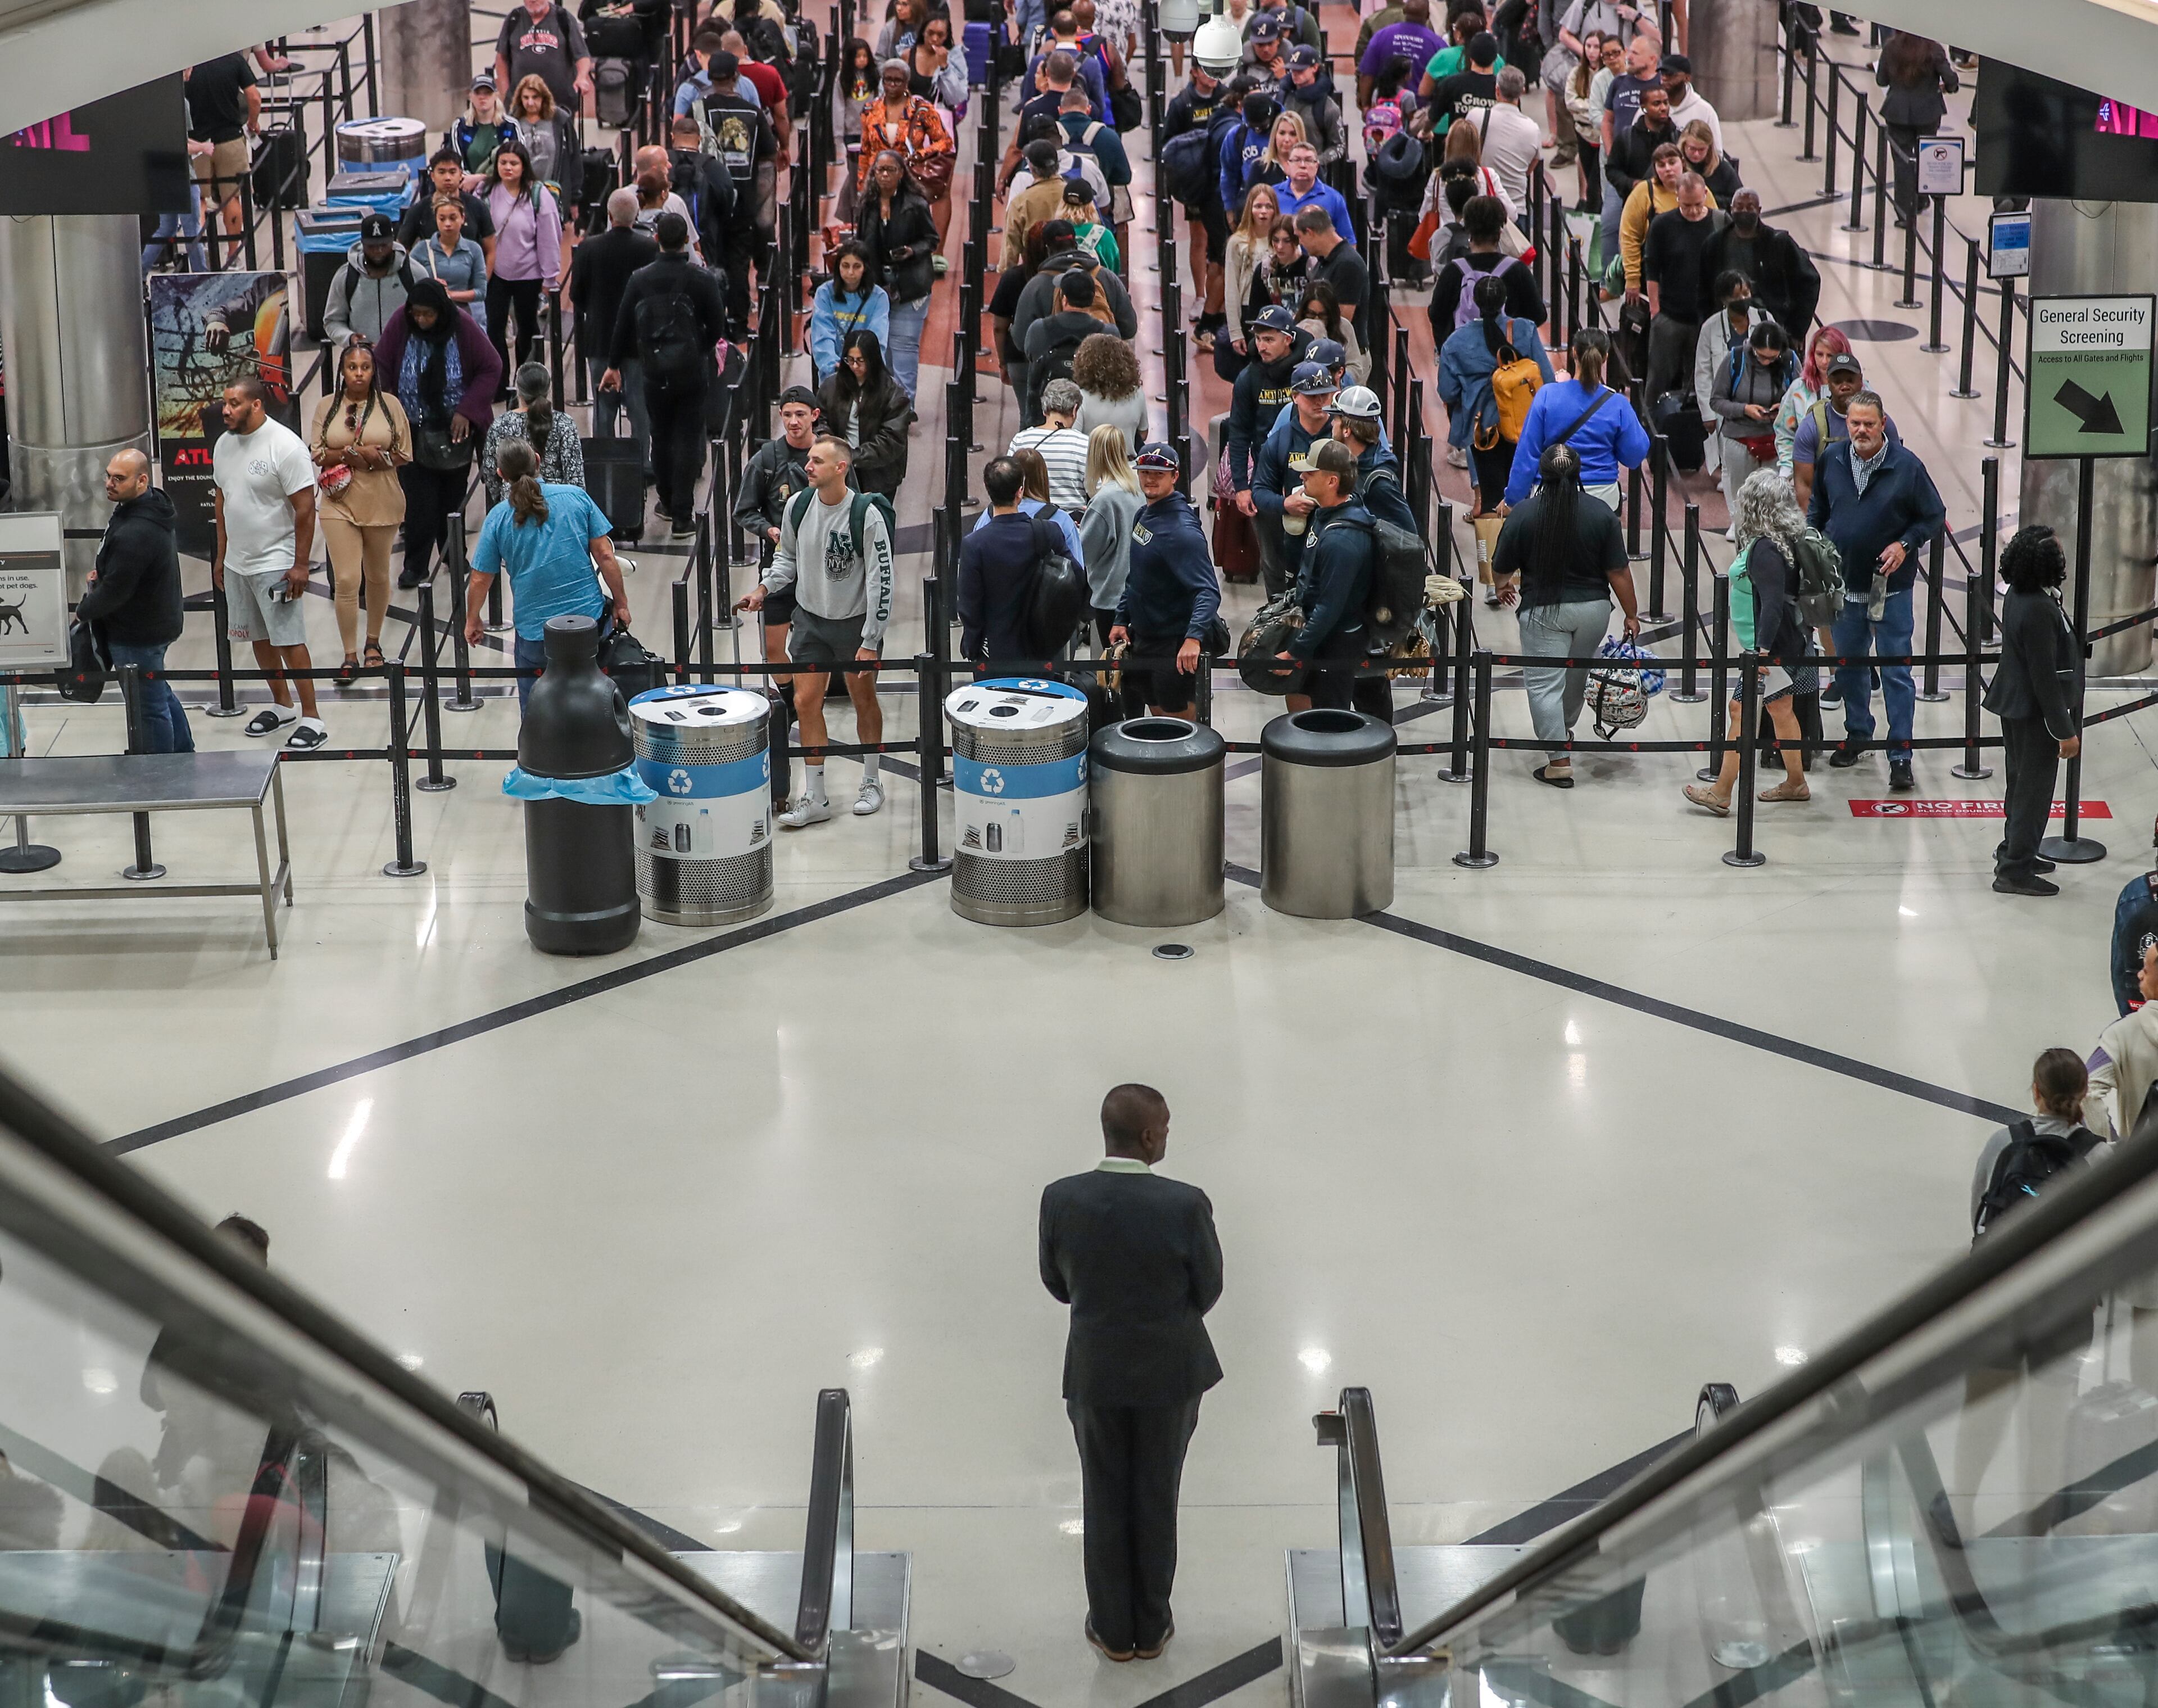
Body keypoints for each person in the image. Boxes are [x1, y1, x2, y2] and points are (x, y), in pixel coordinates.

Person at [1039, 1083, 1222, 1665]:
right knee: (1156, 1491)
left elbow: (1057, 1283)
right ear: (1147, 1136)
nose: (1167, 1134)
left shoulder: (1061, 1198)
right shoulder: (1185, 1204)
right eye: (1165, 1127)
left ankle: (1112, 1629)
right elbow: (1209, 1288)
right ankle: (1153, 1623)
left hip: (1096, 1373)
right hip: (1171, 1375)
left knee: (1104, 1491)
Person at [1946, 1048, 2102, 1532]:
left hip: (2003, 1302)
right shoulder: (2101, 1155)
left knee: (1982, 1414)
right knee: (2049, 1421)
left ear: (2035, 1092)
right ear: (2083, 1096)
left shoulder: (2002, 1144)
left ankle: (1962, 1511)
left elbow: (1979, 1213)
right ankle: (2040, 1520)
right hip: (2067, 1306)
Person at [737, 435, 895, 823]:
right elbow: (786, 559)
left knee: (863, 700)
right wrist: (764, 588)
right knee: (806, 703)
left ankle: (872, 780)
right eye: (809, 460)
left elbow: (881, 581)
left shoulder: (866, 513)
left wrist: (871, 639)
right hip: (810, 621)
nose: (807, 466)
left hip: (855, 624)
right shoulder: (797, 506)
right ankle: (817, 796)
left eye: (817, 461)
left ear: (841, 468)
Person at [1808, 392, 1946, 790]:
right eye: (1855, 423)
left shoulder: (1907, 467)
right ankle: (1858, 734)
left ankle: (1900, 754)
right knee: (1849, 667)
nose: (1862, 431)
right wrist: (1814, 543)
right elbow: (1817, 508)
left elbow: (1934, 515)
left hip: (1892, 591)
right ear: (1846, 425)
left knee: (1896, 674)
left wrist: (1905, 545)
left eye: (1869, 423)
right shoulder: (1832, 461)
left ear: (1883, 424)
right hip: (1844, 588)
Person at [1495, 442, 1637, 786]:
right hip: (1594, 611)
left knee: (1544, 685)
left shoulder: (1525, 514)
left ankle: (1558, 761)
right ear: (1579, 474)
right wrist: (1632, 615)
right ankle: (1564, 732)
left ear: (1541, 475)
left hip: (1544, 611)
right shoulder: (1602, 514)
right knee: (1576, 675)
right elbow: (1619, 572)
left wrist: (1502, 587)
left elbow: (1501, 566)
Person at [462, 440, 631, 710]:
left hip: (535, 633)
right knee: (596, 702)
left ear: (501, 474)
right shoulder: (576, 497)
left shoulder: (498, 518)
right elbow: (605, 555)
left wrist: (473, 621)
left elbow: (481, 578)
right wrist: (621, 603)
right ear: (538, 461)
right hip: (589, 624)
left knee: (538, 711)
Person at [1684, 468, 1815, 813]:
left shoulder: (1766, 549)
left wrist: (1762, 654)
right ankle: (1796, 783)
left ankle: (1722, 792)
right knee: (1781, 709)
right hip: (1792, 642)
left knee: (1740, 710)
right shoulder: (1788, 538)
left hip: (1773, 649)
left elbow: (1771, 604)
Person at [212, 378, 325, 750]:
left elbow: (306, 509)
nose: (226, 410)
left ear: (256, 405)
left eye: (233, 403)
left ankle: (313, 716)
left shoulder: (285, 447)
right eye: (225, 403)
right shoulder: (224, 445)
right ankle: (282, 704)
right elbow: (222, 500)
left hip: (275, 560)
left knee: (289, 639)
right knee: (257, 637)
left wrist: (300, 565)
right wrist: (221, 554)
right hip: (238, 563)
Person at [604, 211, 726, 541]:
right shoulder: (702, 279)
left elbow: (622, 325)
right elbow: (718, 326)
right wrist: (699, 348)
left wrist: (614, 365)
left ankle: (668, 501)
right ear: (687, 239)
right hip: (691, 371)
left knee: (660, 434)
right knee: (688, 436)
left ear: (656, 238)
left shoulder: (639, 279)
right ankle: (684, 518)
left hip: (653, 372)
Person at [374, 280, 504, 590]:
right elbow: (381, 363)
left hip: (453, 433)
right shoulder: (400, 322)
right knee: (419, 503)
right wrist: (391, 406)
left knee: (451, 499)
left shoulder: (463, 326)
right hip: (412, 431)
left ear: (441, 312)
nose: (421, 320)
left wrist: (467, 410)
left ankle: (455, 558)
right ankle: (415, 567)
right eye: (416, 314)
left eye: (428, 315)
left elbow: (491, 366)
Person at [1984, 524, 2080, 897]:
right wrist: (2064, 729)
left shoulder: (2022, 595)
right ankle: (2014, 869)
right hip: (2035, 714)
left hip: (2016, 705)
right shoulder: (2039, 608)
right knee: (2033, 793)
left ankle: (2016, 848)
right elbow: (2045, 677)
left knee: (2019, 784)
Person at [308, 342, 411, 685]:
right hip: (339, 503)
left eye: (365, 367)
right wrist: (354, 453)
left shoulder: (391, 405)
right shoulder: (327, 406)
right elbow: (319, 453)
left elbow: (403, 454)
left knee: (379, 575)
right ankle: (350, 654)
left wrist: (369, 457)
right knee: (349, 579)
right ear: (342, 371)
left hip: (383, 499)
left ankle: (373, 643)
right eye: (352, 367)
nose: (358, 373)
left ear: (373, 371)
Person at [78, 452, 191, 754]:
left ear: (143, 480)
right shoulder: (147, 508)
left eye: (119, 478)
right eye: (108, 475)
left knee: (148, 707)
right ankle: (183, 753)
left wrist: (83, 612)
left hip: (138, 633)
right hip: (154, 623)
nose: (109, 484)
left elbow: (116, 590)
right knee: (158, 693)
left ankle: (158, 774)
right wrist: (105, 569)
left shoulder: (137, 531)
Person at [1110, 445, 1221, 718]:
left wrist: (1193, 639)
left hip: (1173, 647)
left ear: (1175, 476)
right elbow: (1136, 576)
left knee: (1181, 733)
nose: (1150, 479)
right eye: (1145, 472)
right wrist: (1121, 617)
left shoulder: (1182, 532)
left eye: (1159, 473)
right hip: (1145, 639)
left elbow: (1208, 591)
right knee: (1158, 719)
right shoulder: (1144, 516)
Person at [1275, 440, 1380, 710]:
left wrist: (1295, 652)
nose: (1302, 476)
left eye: (1311, 472)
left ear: (1332, 481)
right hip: (1322, 639)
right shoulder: (1327, 514)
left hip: (1336, 645)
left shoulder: (1342, 541)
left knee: (1330, 723)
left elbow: (1329, 607)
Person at [1440, 271, 1554, 515]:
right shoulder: (1525, 329)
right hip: (1523, 423)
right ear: (1505, 301)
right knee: (1522, 496)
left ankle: (1486, 530)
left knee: (1492, 499)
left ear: (1474, 301)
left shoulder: (1455, 342)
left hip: (1482, 430)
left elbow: (1447, 391)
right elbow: (1548, 379)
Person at [1506, 328, 1645, 509]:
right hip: (1602, 499)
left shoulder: (1547, 396)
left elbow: (1527, 454)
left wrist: (1512, 499)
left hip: (1550, 494)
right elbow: (1635, 456)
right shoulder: (1618, 404)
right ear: (1605, 358)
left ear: (1573, 353)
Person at [569, 190, 660, 463]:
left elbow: (576, 294)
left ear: (609, 216)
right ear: (636, 216)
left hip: (599, 339)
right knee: (639, 408)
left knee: (603, 408)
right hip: (638, 341)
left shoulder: (588, 247)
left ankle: (605, 466)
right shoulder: (649, 248)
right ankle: (642, 465)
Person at [1225, 306, 1307, 575]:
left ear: (1288, 339)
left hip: (1307, 473)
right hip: (1267, 477)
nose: (1261, 346)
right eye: (1258, 339)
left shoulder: (1307, 374)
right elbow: (1238, 434)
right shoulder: (1248, 379)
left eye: (1269, 339)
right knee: (1272, 561)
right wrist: (1241, 486)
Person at [959, 456, 1062, 668]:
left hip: (994, 651)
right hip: (1042, 648)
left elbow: (969, 606)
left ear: (988, 489)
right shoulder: (1049, 532)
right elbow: (1074, 579)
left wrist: (973, 644)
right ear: (1020, 492)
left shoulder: (974, 544)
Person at [856, 151, 939, 404]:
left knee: (904, 346)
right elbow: (861, 241)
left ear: (901, 173)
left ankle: (905, 407)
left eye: (890, 170)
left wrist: (913, 251)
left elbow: (932, 240)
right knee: (883, 350)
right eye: (879, 170)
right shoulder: (867, 204)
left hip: (910, 285)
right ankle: (888, 404)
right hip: (877, 287)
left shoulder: (916, 204)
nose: (884, 175)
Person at [1252, 361, 1338, 600]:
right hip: (1294, 541)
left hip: (1336, 538)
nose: (1320, 402)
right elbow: (1259, 491)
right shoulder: (1280, 441)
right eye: (1312, 396)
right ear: (1295, 397)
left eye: (1324, 395)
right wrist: (1286, 504)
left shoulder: (1343, 437)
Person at [482, 141, 562, 384]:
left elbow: (549, 237)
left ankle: (528, 382)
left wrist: (550, 276)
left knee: (527, 328)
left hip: (529, 274)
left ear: (523, 166)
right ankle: (499, 380)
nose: (508, 168)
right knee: (494, 327)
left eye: (514, 163)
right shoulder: (486, 192)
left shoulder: (538, 195)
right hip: (495, 273)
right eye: (503, 163)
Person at [1641, 170, 1721, 402]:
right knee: (1657, 380)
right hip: (1670, 318)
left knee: (1700, 382)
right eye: (1687, 206)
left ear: (1706, 194)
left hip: (1705, 321)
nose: (1694, 211)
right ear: (1677, 198)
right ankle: (1650, 427)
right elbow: (1653, 269)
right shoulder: (1662, 225)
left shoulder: (1719, 223)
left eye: (1698, 204)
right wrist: (1655, 311)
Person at [1706, 321, 1793, 527]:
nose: (1766, 362)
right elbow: (1716, 401)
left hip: (1778, 442)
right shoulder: (1735, 359)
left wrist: (1785, 407)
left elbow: (1799, 397)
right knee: (1743, 506)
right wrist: (1744, 410)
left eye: (1773, 358)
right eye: (1761, 356)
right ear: (1752, 347)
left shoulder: (1790, 362)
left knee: (1774, 507)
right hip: (1740, 442)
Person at [1789, 350, 1900, 508]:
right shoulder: (1811, 426)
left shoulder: (1882, 423)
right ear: (1828, 382)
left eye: (1850, 380)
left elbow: (1898, 472)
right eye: (1838, 381)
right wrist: (1813, 529)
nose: (1845, 386)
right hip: (1829, 514)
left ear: (1861, 381)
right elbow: (1804, 486)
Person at [815, 330, 913, 499]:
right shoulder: (831, 386)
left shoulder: (893, 394)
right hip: (839, 472)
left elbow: (891, 441)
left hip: (879, 477)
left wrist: (851, 456)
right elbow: (819, 419)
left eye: (860, 361)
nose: (854, 366)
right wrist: (826, 438)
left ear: (873, 360)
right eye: (850, 360)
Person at [183, 53, 260, 264]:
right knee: (232, 197)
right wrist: (253, 122)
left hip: (197, 144)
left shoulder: (186, 63)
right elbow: (254, 97)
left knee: (199, 198)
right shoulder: (233, 60)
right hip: (230, 140)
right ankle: (233, 255)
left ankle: (200, 252)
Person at [1876, 31, 1958, 224]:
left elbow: (1882, 80)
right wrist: (1945, 88)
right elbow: (1952, 81)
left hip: (1897, 111)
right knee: (1925, 157)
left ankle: (1905, 213)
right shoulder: (1934, 49)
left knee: (1902, 161)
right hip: (1928, 112)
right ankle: (1922, 198)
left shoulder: (1891, 47)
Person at [1431, 194, 1544, 333]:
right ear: (1500, 230)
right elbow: (1538, 315)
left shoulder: (1453, 271)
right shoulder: (1518, 270)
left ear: (1468, 229)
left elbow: (1436, 315)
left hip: (1463, 352)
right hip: (1507, 352)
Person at [1602, 76, 1677, 280]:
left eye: (1666, 103)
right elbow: (1613, 170)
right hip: (1635, 213)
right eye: (1656, 104)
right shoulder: (1627, 138)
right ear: (1643, 107)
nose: (1663, 108)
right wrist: (1632, 184)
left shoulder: (1677, 137)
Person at [483, 363, 584, 508]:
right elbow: (576, 479)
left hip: (514, 505)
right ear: (548, 389)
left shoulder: (500, 425)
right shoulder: (565, 423)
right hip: (558, 507)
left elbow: (491, 474)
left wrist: (503, 499)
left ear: (518, 390)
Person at [1078, 427, 1144, 642]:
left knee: (1116, 669)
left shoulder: (1104, 501)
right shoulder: (1138, 486)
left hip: (1112, 598)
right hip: (1140, 592)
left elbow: (1084, 552)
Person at [1023, 269, 1113, 425]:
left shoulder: (1039, 329)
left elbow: (1030, 355)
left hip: (1046, 419)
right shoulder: (1107, 333)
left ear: (1064, 299)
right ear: (1092, 299)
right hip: (1092, 424)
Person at [1219, 184, 1285, 377]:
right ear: (1250, 208)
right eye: (1258, 206)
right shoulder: (1237, 242)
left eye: (1268, 206)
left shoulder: (1282, 241)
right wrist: (1235, 332)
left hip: (1276, 307)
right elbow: (1231, 288)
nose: (1263, 212)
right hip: (1249, 309)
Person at [809, 240, 892, 385]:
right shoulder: (824, 293)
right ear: (838, 266)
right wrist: (832, 365)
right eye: (845, 266)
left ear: (865, 268)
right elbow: (822, 335)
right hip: (833, 375)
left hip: (867, 376)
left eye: (857, 266)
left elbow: (877, 337)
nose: (850, 273)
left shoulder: (879, 297)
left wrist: (862, 365)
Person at [1773, 325, 1848, 481]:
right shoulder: (1798, 389)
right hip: (1806, 473)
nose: (1824, 361)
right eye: (1819, 354)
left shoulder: (1860, 388)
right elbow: (1784, 433)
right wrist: (1788, 469)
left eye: (1831, 355)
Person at [495, 0, 595, 116]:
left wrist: (582, 78)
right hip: (522, 104)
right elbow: (501, 58)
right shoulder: (514, 18)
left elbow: (582, 55)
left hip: (559, 103)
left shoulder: (563, 18)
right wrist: (506, 94)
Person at [1010, 380, 1095, 511]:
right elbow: (1097, 491)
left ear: (1045, 410)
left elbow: (1009, 482)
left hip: (1026, 520)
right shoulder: (1085, 444)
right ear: (1074, 410)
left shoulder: (1020, 440)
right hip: (1071, 522)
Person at [398, 149, 497, 261]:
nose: (447, 178)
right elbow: (402, 250)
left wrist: (483, 278)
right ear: (432, 176)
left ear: (461, 175)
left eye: (452, 172)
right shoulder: (419, 210)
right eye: (441, 172)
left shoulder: (477, 206)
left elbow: (491, 251)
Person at [410, 197, 491, 330]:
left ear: (463, 218)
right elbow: (409, 284)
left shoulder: (474, 249)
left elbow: (481, 292)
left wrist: (449, 295)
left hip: (464, 317)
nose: (448, 224)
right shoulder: (422, 249)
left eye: (453, 218)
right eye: (442, 219)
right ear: (436, 220)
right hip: (431, 319)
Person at [507, 76, 581, 219]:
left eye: (535, 97)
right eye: (526, 97)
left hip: (553, 192)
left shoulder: (560, 120)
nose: (530, 102)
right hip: (522, 194)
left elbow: (574, 160)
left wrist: (574, 200)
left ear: (544, 98)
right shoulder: (512, 121)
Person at [1468, 67, 1543, 209]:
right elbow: (1531, 166)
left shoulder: (1476, 116)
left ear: (1497, 90)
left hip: (1479, 205)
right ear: (1522, 92)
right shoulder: (1533, 129)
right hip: (1516, 207)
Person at [1294, 208, 1367, 329]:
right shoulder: (1323, 262)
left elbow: (1342, 323)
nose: (1300, 243)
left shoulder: (1347, 264)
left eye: (1300, 237)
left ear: (1310, 233)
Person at [1074, 332, 1148, 451]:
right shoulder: (1137, 393)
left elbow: (1074, 439)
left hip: (1091, 466)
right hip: (1127, 466)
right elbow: (1143, 433)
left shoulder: (1080, 397)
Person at [1298, 282, 1368, 384]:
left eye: (1322, 316)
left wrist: (1332, 380)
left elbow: (1355, 367)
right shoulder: (1297, 328)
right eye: (1311, 314)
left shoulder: (1344, 327)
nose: (1317, 320)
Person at [1658, 52, 1720, 150]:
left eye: (1671, 74)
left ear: (1687, 78)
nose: (1665, 78)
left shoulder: (1705, 112)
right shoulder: (1651, 107)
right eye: (1663, 74)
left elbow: (1717, 153)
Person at [456, 74, 515, 176]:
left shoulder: (511, 125)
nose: (482, 97)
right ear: (470, 96)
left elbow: (519, 162)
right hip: (467, 186)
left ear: (496, 95)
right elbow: (455, 164)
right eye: (478, 93)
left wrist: (481, 179)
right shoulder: (460, 127)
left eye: (488, 93)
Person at [1061, 179, 1121, 272]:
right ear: (1091, 205)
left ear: (1063, 204)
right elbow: (1114, 271)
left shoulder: (1053, 232)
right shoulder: (1105, 236)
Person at [1679, 120, 1738, 204]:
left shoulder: (1722, 169)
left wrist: (1709, 200)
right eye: (1692, 149)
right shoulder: (1675, 167)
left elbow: (1738, 199)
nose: (1696, 154)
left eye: (1701, 150)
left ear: (1709, 148)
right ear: (1684, 146)